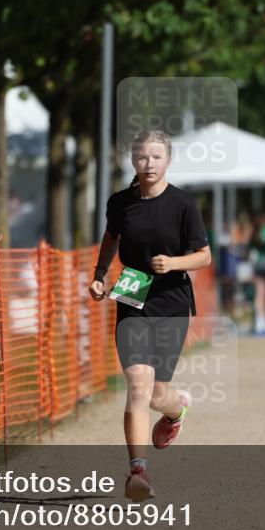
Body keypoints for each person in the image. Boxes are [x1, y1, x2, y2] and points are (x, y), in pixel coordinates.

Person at [89, 129, 212, 502]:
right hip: (132, 296)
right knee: (139, 386)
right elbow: (111, 237)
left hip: (171, 302)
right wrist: (99, 274)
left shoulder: (183, 204)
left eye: (157, 157)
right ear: (133, 161)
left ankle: (176, 411)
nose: (149, 164)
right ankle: (137, 471)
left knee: (158, 394)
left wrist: (173, 263)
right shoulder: (120, 202)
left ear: (168, 161)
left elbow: (204, 256)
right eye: (142, 157)